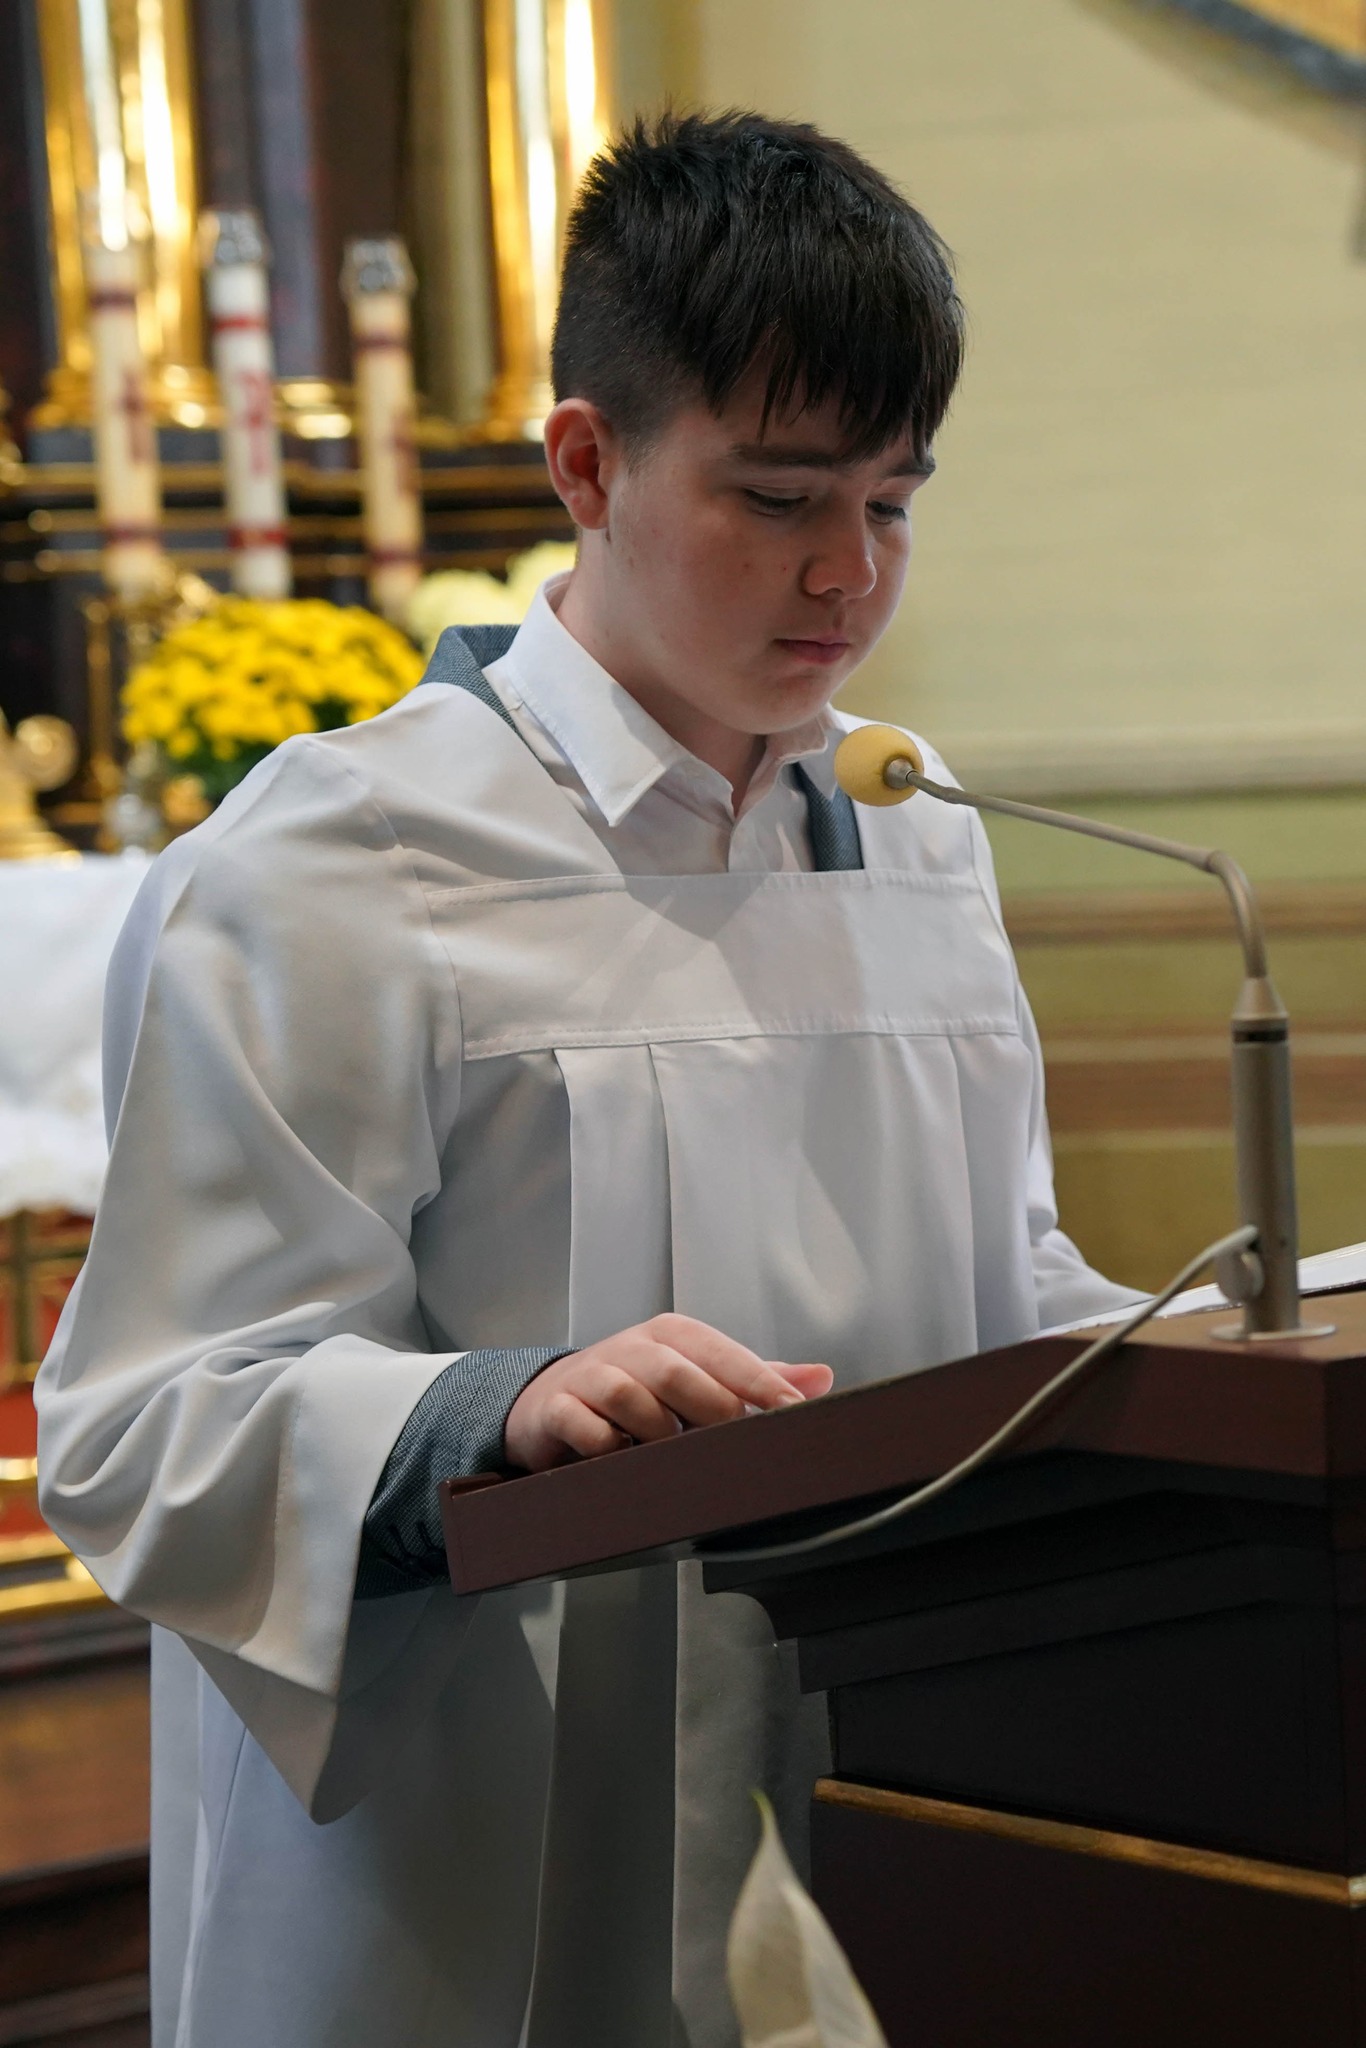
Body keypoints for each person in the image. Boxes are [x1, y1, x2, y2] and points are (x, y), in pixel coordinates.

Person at [36, 111, 1137, 2048]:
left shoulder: (913, 826)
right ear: (585, 462)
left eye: (890, 504)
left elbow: (1000, 1274)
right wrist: (492, 1406)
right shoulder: (344, 857)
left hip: (877, 1786)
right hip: (470, 1855)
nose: (845, 573)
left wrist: (1200, 1337)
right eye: (777, 496)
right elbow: (147, 1424)